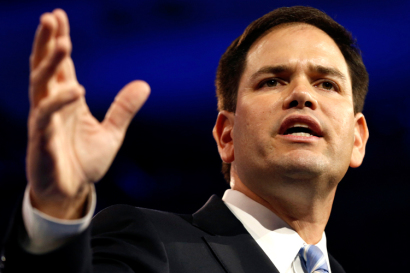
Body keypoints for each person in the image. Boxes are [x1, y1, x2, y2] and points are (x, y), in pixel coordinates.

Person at [1, 6, 369, 273]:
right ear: (226, 136)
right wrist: (57, 212)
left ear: (357, 139)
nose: (302, 95)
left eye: (327, 84)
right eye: (272, 81)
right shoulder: (149, 243)